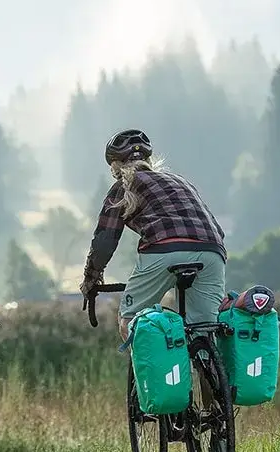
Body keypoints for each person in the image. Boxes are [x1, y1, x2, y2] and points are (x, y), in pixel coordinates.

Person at [81, 129, 227, 340]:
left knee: (132, 321)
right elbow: (214, 226)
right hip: (213, 251)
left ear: (115, 166)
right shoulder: (180, 181)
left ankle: (154, 372)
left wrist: (91, 278)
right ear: (149, 159)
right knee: (204, 330)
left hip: (164, 250)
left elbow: (104, 241)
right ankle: (209, 368)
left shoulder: (124, 186)